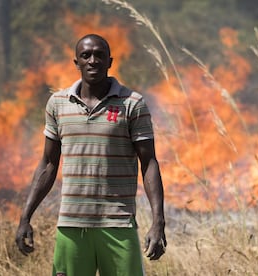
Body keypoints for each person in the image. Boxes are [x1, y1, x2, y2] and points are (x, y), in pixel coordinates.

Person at [15, 33, 166, 276]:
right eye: (86, 55)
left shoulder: (132, 103)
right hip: (71, 226)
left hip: (118, 224)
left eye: (99, 55)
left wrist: (158, 221)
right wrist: (25, 218)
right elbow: (47, 165)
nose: (93, 60)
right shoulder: (57, 103)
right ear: (77, 62)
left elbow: (149, 163)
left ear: (110, 62)